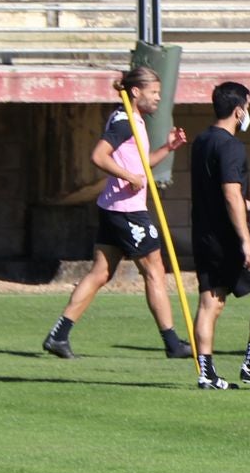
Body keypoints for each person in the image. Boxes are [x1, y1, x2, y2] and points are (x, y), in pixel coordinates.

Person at [42, 66, 191, 360]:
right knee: (154, 271)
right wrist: (129, 177)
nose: (158, 99)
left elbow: (141, 164)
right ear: (136, 92)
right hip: (128, 211)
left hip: (113, 208)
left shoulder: (133, 120)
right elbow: (98, 156)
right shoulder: (124, 121)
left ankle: (58, 336)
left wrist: (168, 148)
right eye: (154, 93)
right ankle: (173, 343)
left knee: (100, 273)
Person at [189, 81, 250, 390]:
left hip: (204, 236)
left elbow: (219, 191)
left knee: (210, 303)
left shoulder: (202, 140)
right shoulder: (232, 146)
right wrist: (246, 242)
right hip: (231, 237)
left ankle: (206, 374)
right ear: (238, 110)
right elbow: (231, 194)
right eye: (248, 107)